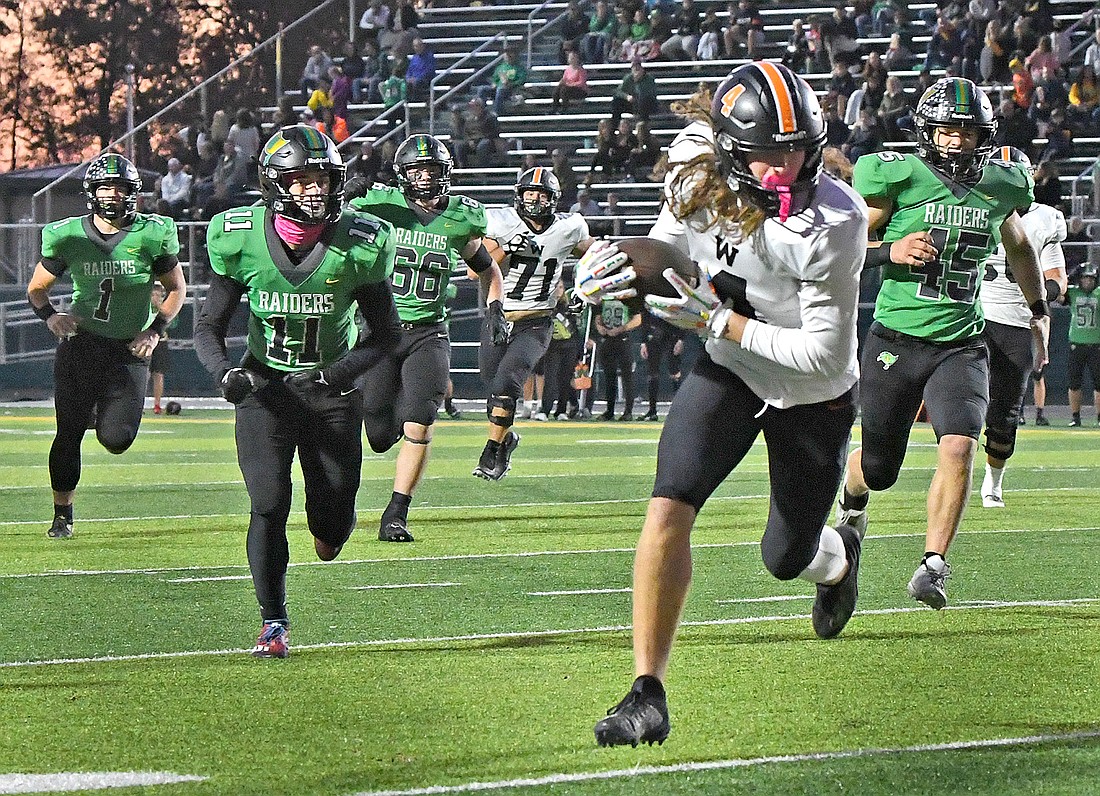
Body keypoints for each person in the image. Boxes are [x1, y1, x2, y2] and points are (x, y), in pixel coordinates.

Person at [578, 62, 867, 747]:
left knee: (785, 555)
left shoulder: (833, 221)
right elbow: (670, 250)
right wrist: (619, 285)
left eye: (800, 150)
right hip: (729, 369)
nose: (790, 167)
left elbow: (823, 356)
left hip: (809, 394)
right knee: (668, 502)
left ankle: (839, 557)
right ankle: (647, 691)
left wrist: (717, 322)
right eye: (772, 153)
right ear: (732, 153)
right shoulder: (696, 164)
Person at [836, 77, 1049, 611]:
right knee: (879, 468)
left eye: (967, 131)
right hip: (897, 337)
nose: (956, 140)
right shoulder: (899, 175)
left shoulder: (1001, 185)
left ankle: (933, 564)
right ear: (927, 132)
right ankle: (853, 505)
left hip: (961, 340)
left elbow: (1020, 247)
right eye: (946, 130)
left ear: (983, 135)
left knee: (958, 443)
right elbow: (842, 248)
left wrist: (1039, 309)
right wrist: (892, 251)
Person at [194, 125, 401, 658]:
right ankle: (273, 620)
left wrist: (335, 375)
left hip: (331, 394)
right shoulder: (239, 237)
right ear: (276, 183)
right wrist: (224, 374)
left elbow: (388, 335)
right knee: (268, 503)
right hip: (267, 388)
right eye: (302, 180)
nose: (315, 191)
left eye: (323, 179)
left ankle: (332, 526)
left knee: (329, 532)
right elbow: (208, 326)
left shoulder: (360, 243)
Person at [347, 134, 507, 542]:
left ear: (445, 173)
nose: (424, 177)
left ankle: (396, 514)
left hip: (429, 332)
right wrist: (346, 192)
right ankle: (402, 417)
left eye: (431, 169)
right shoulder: (380, 206)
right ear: (403, 174)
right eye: (417, 170)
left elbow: (488, 268)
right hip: (380, 330)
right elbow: (327, 223)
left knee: (420, 421)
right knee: (380, 435)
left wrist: (494, 307)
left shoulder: (459, 218)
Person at [27, 153, 186, 539]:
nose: (113, 194)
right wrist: (50, 315)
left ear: (133, 192)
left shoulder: (152, 233)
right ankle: (62, 515)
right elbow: (36, 287)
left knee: (117, 439)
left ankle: (99, 409)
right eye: (105, 187)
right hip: (82, 345)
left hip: (128, 349)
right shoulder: (68, 234)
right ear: (92, 192)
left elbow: (176, 288)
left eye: (120, 187)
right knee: (68, 432)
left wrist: (156, 329)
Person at [474, 167, 596, 480]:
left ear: (553, 199)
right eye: (530, 193)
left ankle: (491, 450)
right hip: (498, 317)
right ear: (519, 195)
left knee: (507, 383)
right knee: (492, 383)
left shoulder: (569, 227)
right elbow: (474, 272)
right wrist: (507, 247)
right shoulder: (501, 222)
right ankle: (506, 437)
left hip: (537, 320)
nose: (535, 200)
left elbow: (594, 256)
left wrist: (585, 289)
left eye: (541, 195)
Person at [978, 147, 1067, 508]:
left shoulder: (1046, 219)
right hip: (974, 316)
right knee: (963, 404)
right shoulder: (974, 206)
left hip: (1016, 322)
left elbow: (1056, 278)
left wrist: (1043, 298)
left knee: (1005, 414)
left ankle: (992, 482)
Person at [593, 297, 641, 420]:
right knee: (609, 376)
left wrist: (622, 328)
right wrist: (600, 327)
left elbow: (638, 318)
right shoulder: (604, 295)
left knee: (627, 375)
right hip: (607, 339)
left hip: (623, 339)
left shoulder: (628, 296)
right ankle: (609, 411)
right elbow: (598, 315)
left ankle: (628, 411)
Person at [1066, 265, 1100, 426]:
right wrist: (1071, 273)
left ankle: (1099, 417)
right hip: (1076, 344)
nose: (1087, 281)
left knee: (1099, 384)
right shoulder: (1073, 292)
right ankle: (1075, 416)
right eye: (1085, 278)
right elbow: (1058, 291)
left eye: (1091, 279)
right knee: (1074, 383)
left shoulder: (1099, 293)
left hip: (1096, 345)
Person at [638, 312, 686, 420]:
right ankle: (652, 411)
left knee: (674, 371)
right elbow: (645, 316)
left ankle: (679, 411)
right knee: (652, 373)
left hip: (672, 333)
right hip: (654, 334)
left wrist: (681, 338)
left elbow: (680, 312)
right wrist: (643, 341)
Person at [147, 282, 174, 414]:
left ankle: (157, 404)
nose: (156, 296)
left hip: (160, 342)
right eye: (154, 293)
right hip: (145, 341)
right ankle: (139, 402)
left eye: (159, 294)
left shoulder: (167, 308)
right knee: (144, 372)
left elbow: (173, 323)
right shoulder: (144, 307)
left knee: (158, 373)